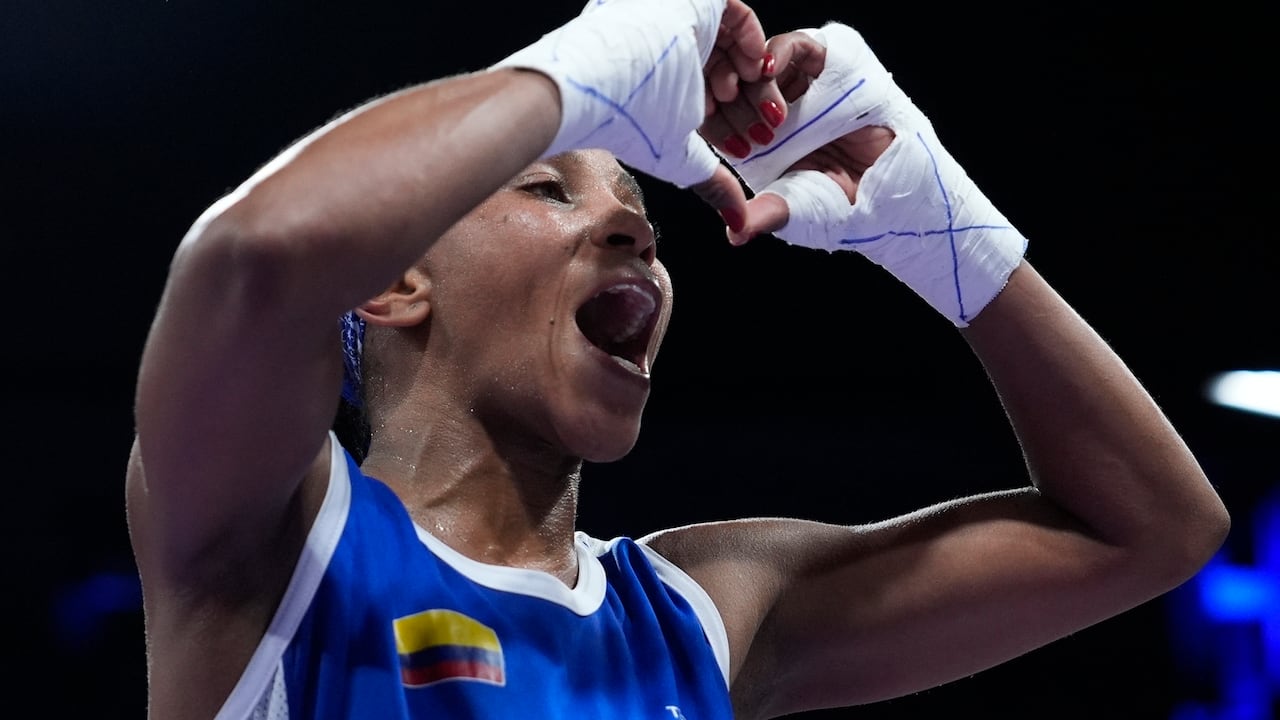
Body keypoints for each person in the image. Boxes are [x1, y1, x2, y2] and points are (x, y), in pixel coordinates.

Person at [124, 0, 1230, 718]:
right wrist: (579, 70)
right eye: (548, 188)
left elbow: (1149, 529)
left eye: (639, 209)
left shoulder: (701, 606)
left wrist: (948, 236)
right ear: (392, 279)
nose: (634, 230)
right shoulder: (276, 542)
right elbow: (253, 258)